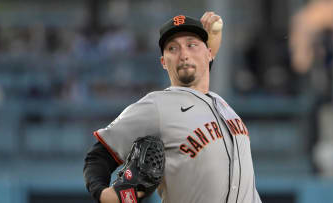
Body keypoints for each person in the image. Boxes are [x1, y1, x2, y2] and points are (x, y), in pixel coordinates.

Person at [83, 11, 262, 203]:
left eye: (191, 45)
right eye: (172, 49)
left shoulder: (222, 104)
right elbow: (98, 156)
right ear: (163, 62)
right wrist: (102, 194)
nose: (183, 54)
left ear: (209, 53)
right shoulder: (157, 106)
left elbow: (199, 80)